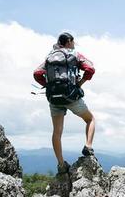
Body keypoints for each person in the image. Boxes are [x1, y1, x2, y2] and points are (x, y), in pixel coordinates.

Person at [33, 32, 96, 173]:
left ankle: (61, 165)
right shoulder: (75, 55)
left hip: (54, 98)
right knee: (90, 119)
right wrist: (79, 83)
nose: (74, 45)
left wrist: (47, 85)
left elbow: (37, 73)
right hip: (71, 95)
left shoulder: (49, 56)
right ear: (69, 42)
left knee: (57, 132)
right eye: (73, 42)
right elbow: (90, 69)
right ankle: (88, 146)